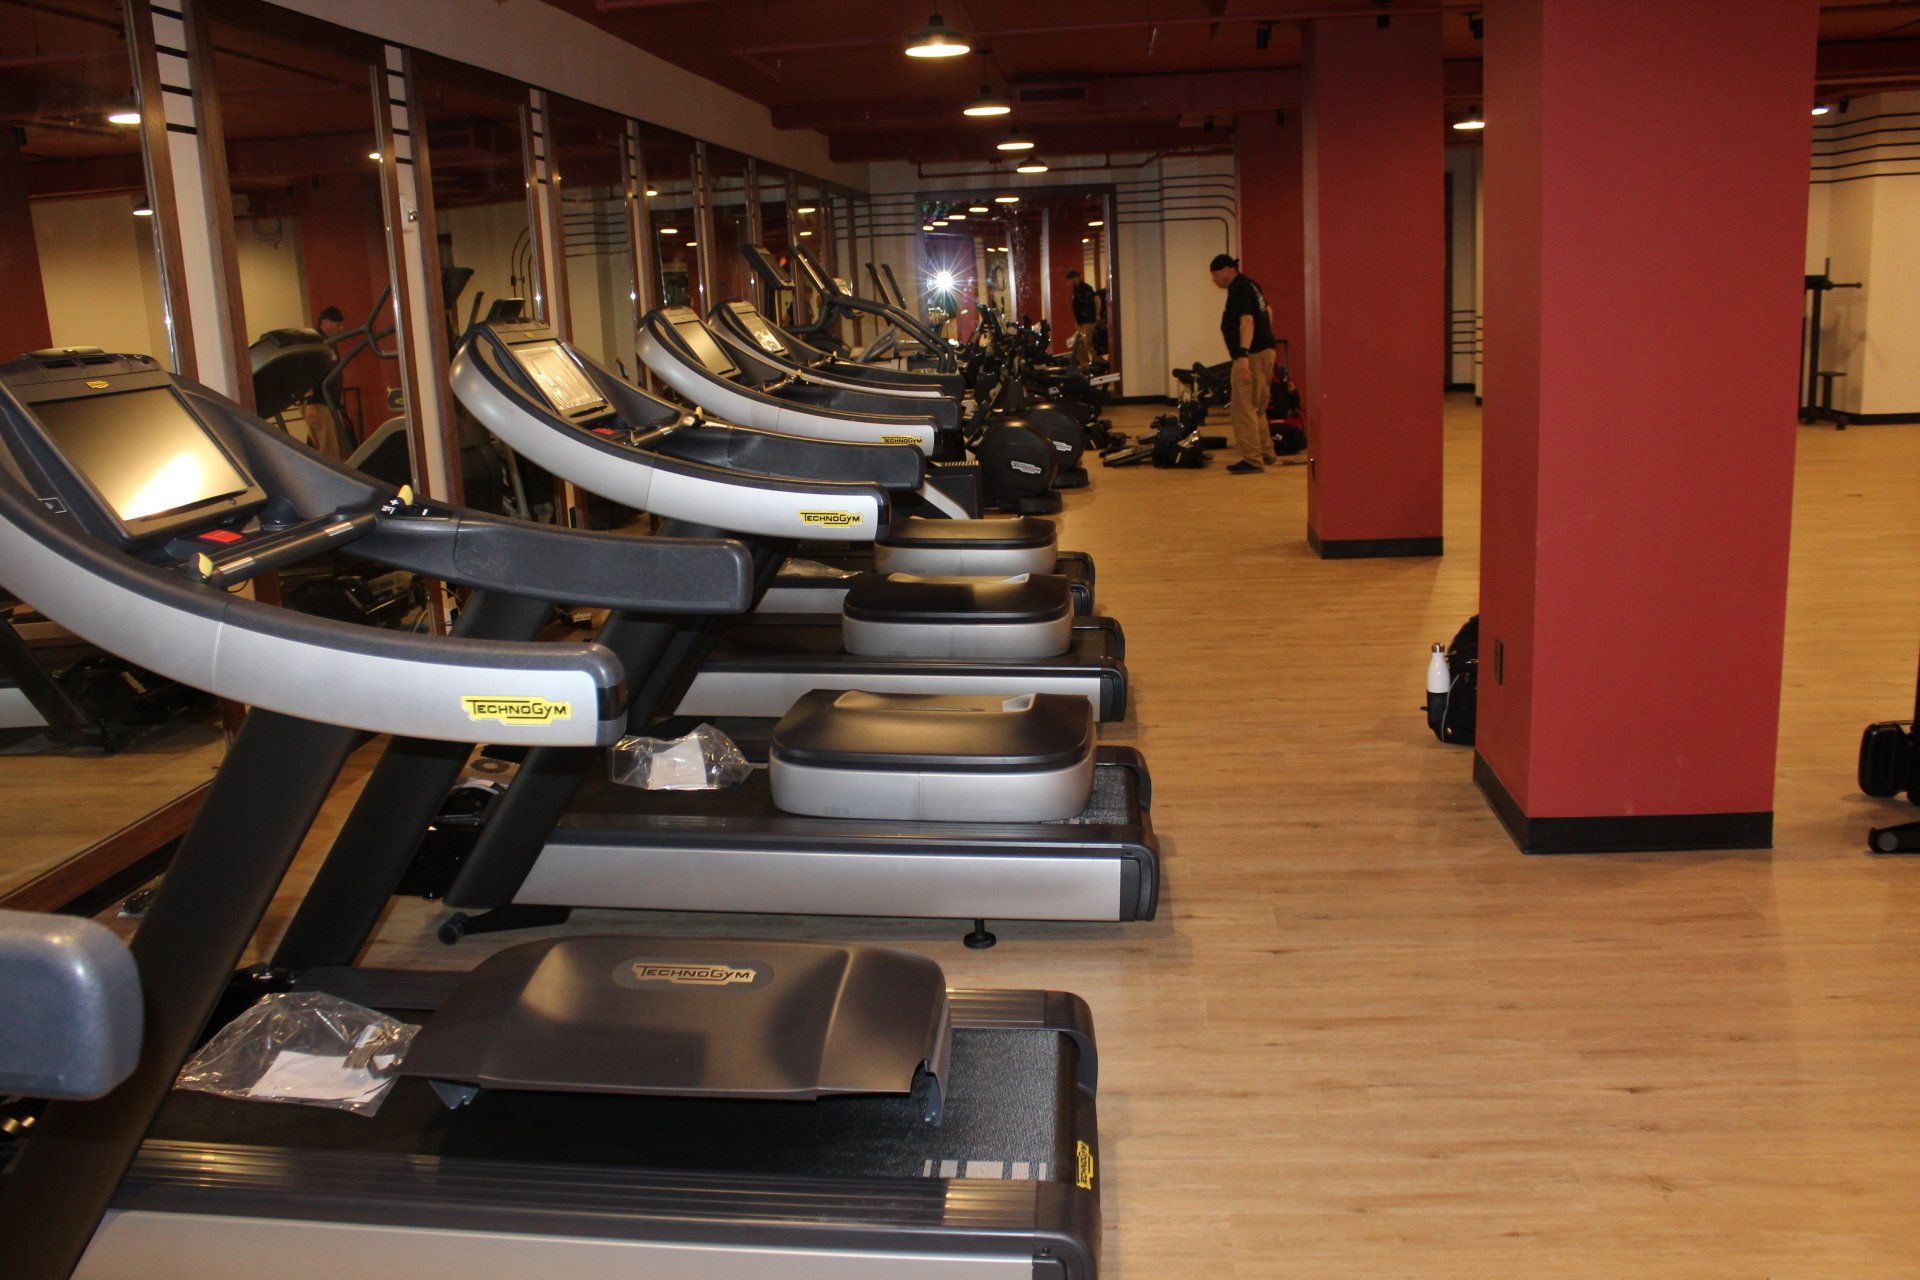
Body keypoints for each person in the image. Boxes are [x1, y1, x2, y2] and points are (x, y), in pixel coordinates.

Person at [1209, 252, 1279, 474]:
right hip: (1265, 351)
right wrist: (1266, 339)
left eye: (1215, 275)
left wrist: (1242, 356)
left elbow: (1247, 321)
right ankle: (1266, 453)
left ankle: (1252, 459)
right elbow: (1269, 312)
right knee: (1257, 407)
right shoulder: (1251, 285)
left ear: (1227, 270)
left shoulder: (1239, 288)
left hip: (1253, 355)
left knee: (1243, 408)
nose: (1214, 280)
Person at [1067, 269, 1099, 369]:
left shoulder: (1086, 288)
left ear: (1075, 278)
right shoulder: (1075, 289)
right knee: (1079, 344)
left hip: (1088, 320)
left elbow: (1096, 299)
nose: (1069, 282)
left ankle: (1096, 363)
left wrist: (1097, 315)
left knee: (1087, 343)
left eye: (1070, 280)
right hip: (1079, 321)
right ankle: (1085, 366)